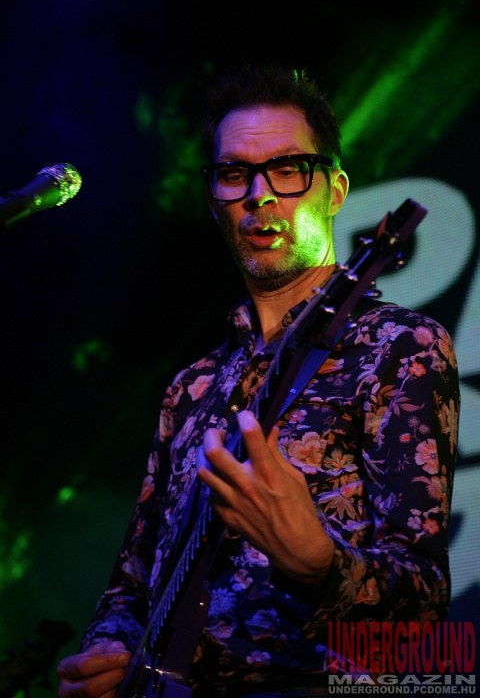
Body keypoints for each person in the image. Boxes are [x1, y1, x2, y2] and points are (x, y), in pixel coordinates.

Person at [57, 65, 459, 698]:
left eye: (288, 169)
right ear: (213, 196)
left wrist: (320, 564)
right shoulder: (191, 388)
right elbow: (132, 583)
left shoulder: (398, 347)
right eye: (234, 173)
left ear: (335, 190)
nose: (259, 194)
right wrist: (110, 647)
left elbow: (424, 605)